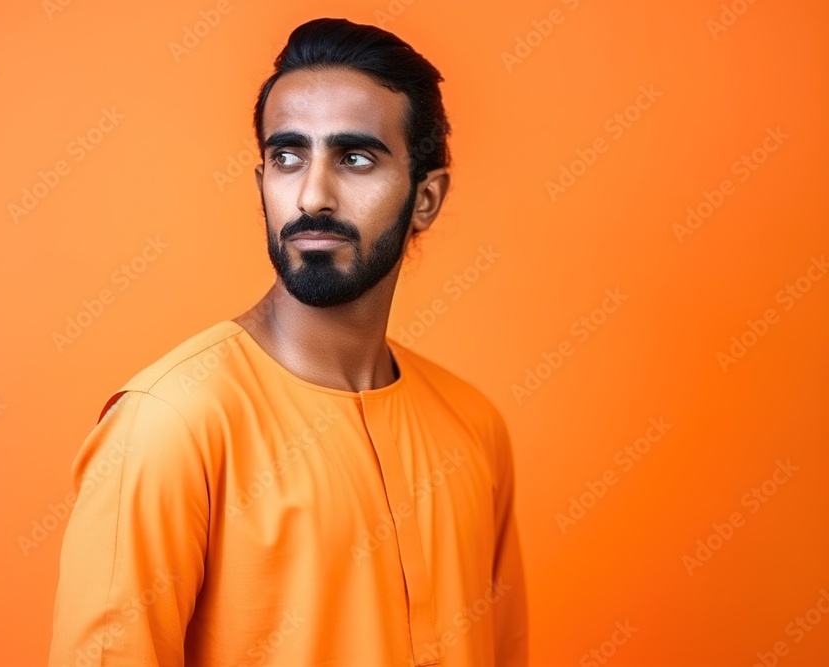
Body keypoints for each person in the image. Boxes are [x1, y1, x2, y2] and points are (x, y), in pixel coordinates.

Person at [48, 16, 528, 667]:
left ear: (426, 197)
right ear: (262, 184)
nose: (312, 194)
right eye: (287, 156)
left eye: (355, 158)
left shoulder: (474, 428)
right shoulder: (170, 425)